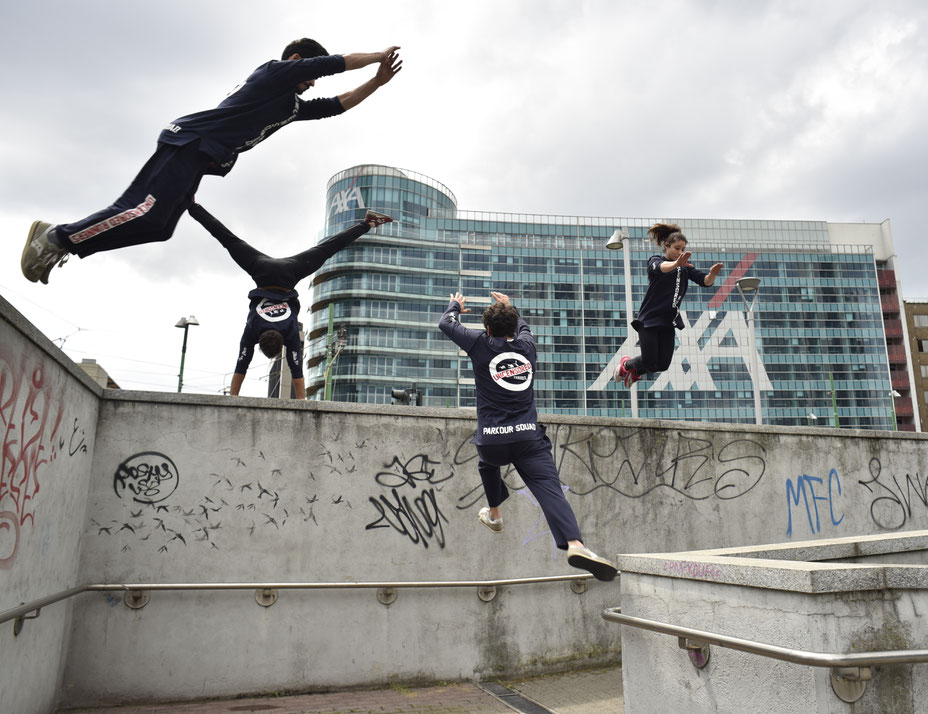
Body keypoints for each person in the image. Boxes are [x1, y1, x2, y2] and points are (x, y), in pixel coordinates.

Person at [22, 38, 402, 284]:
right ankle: (56, 237)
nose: (313, 84)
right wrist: (377, 56)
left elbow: (336, 106)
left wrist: (378, 83)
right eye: (310, 74)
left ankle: (64, 242)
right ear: (298, 61)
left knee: (159, 226)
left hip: (200, 156)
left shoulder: (290, 105)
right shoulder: (275, 72)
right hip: (190, 142)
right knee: (140, 209)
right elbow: (334, 64)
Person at [439, 291, 617, 581]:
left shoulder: (478, 343)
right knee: (550, 490)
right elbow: (522, 325)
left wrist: (455, 306)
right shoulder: (527, 346)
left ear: (487, 330)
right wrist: (511, 308)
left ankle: (495, 514)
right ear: (513, 328)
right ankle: (575, 544)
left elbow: (446, 324)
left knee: (487, 462)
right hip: (528, 439)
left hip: (492, 440)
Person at [187, 202, 392, 399]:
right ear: (260, 341)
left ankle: (368, 223)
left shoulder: (290, 332)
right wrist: (232, 396)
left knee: (329, 248)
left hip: (289, 274)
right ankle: (193, 206)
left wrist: (301, 401)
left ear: (281, 342)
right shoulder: (252, 329)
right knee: (228, 239)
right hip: (261, 269)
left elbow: (296, 371)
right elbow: (241, 364)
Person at [615, 223, 724, 387]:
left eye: (683, 249)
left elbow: (705, 282)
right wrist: (675, 264)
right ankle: (626, 366)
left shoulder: (686, 269)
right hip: (650, 321)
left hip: (668, 322)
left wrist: (712, 275)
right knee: (649, 360)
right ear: (667, 246)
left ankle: (636, 371)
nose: (680, 253)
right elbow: (660, 268)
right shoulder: (656, 260)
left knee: (662, 365)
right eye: (677, 248)